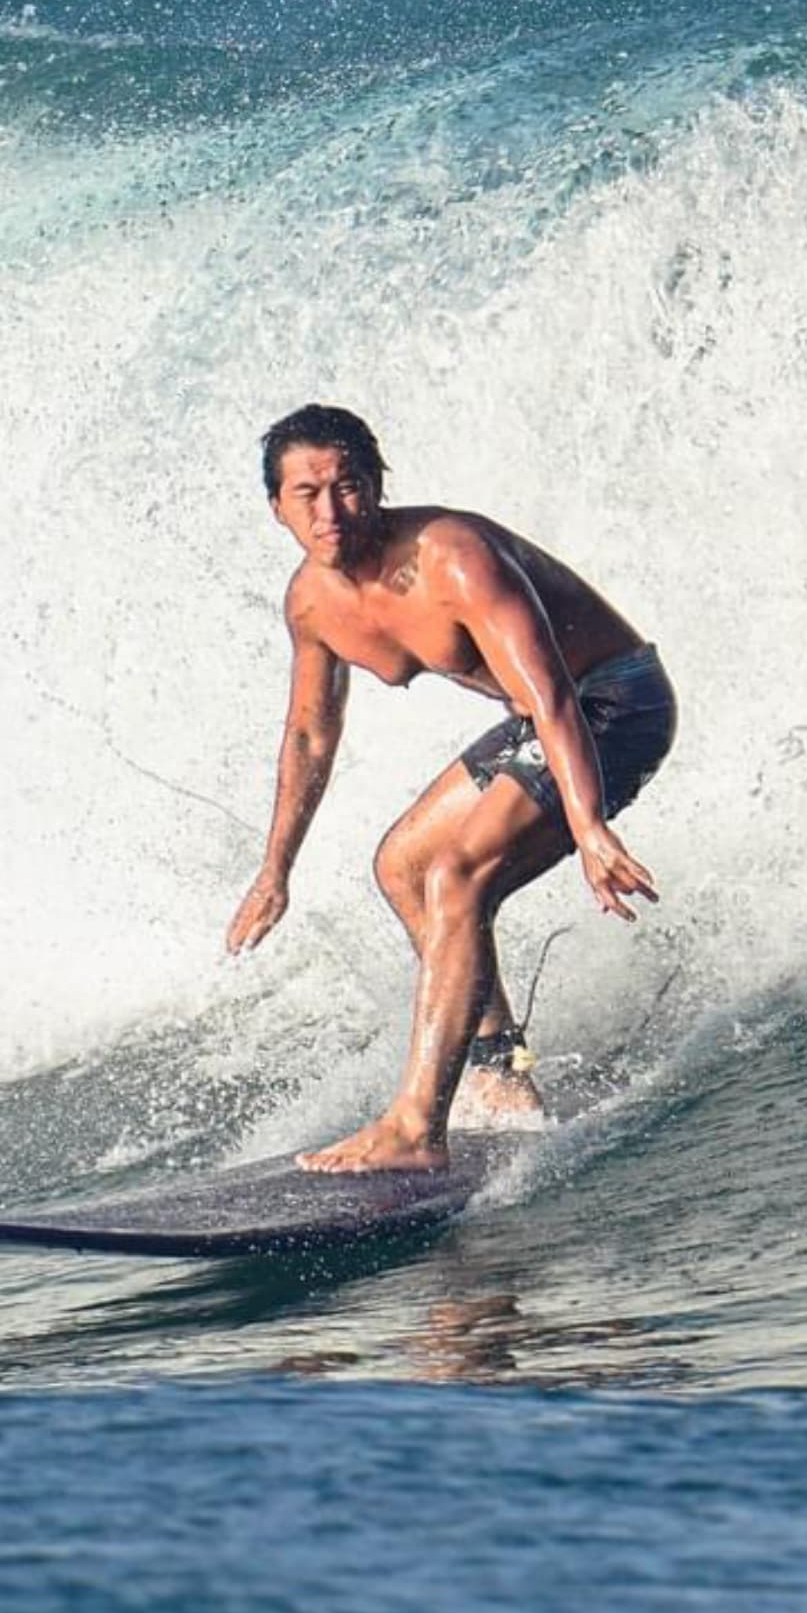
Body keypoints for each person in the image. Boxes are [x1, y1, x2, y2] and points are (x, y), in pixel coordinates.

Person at [226, 404, 676, 1173]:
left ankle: (415, 1130)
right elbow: (309, 737)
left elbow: (551, 694)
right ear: (277, 507)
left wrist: (588, 825)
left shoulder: (454, 556)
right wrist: (276, 870)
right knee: (403, 866)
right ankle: (501, 1073)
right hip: (545, 720)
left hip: (615, 704)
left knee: (456, 876)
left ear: (377, 486)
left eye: (347, 487)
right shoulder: (312, 604)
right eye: (306, 494)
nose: (330, 511)